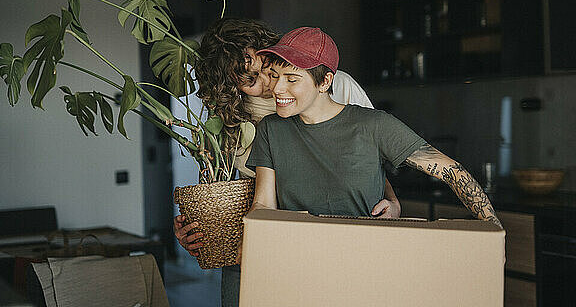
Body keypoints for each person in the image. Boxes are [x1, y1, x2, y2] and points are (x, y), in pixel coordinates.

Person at [173, 18, 401, 307]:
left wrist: (392, 201)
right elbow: (219, 189)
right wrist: (193, 226)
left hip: (332, 244)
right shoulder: (230, 117)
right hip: (253, 246)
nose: (271, 84)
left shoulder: (335, 84)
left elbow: (370, 160)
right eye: (251, 81)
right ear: (231, 85)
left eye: (266, 66)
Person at [241, 26, 502, 259]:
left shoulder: (374, 124)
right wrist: (250, 241)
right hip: (298, 259)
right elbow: (263, 204)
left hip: (366, 258)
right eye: (275, 76)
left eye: (291, 79)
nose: (277, 88)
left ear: (324, 82)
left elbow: (453, 173)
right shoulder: (271, 129)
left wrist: (495, 236)